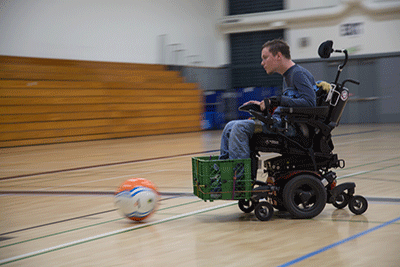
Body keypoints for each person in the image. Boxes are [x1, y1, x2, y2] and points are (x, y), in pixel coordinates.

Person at [219, 39, 316, 160]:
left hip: (291, 128)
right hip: (281, 122)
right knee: (230, 126)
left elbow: (310, 103)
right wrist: (264, 105)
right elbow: (290, 103)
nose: (262, 62)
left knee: (239, 127)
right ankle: (222, 171)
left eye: (265, 58)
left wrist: (276, 100)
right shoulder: (288, 76)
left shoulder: (298, 74)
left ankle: (239, 176)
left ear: (278, 56)